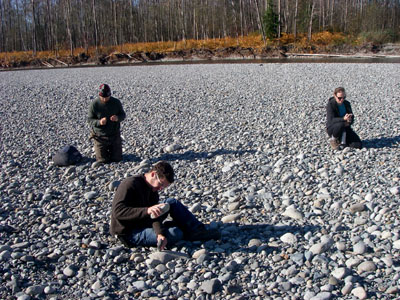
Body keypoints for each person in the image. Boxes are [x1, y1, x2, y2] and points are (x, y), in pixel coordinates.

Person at [110, 161, 220, 250]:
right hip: (129, 232)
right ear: (153, 174)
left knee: (172, 202)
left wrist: (159, 233)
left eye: (163, 187)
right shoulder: (130, 184)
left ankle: (197, 230)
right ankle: (186, 230)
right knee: (176, 233)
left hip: (145, 222)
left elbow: (155, 216)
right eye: (161, 184)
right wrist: (147, 211)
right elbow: (118, 212)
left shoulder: (153, 190)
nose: (160, 189)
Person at [88, 84, 126, 163]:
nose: (105, 99)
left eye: (107, 97)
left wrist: (117, 118)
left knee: (117, 159)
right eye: (103, 97)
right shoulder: (94, 104)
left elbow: (123, 115)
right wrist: (99, 122)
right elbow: (90, 120)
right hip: (100, 136)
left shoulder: (116, 102)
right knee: (102, 160)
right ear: (99, 95)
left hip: (114, 134)